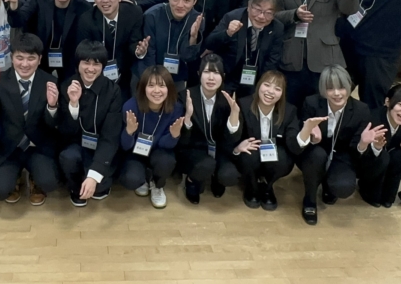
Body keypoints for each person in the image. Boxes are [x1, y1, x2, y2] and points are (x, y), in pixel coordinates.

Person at [0, 34, 62, 205]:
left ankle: (35, 178)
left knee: (50, 183)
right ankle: (15, 176)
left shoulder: (50, 81)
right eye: (20, 58)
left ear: (40, 59)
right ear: (11, 57)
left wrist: (52, 106)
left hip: (38, 147)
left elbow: (53, 124)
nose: (25, 64)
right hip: (9, 147)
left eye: (31, 58)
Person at [274, 0, 357, 107]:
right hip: (291, 56)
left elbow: (349, 9)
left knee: (321, 106)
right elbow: (274, 15)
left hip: (324, 57)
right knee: (290, 106)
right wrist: (294, 14)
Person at [295, 65, 375, 225]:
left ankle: (329, 186)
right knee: (317, 155)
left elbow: (354, 151)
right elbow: (300, 141)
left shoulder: (361, 110)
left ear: (349, 87)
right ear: (323, 90)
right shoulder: (311, 103)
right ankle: (310, 199)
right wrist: (312, 137)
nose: (337, 93)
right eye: (330, 88)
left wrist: (362, 143)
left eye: (341, 88)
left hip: (342, 155)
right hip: (315, 153)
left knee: (343, 187)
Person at [54, 41, 123, 206]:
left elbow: (110, 137)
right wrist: (73, 105)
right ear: (78, 64)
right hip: (76, 145)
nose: (90, 69)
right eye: (86, 62)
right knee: (68, 157)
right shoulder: (67, 86)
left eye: (96, 64)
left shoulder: (113, 91)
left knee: (99, 187)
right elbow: (65, 131)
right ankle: (75, 187)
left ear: (103, 66)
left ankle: (94, 179)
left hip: (101, 146)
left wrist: (94, 175)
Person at [4, 0, 93, 83]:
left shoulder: (84, 8)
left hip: (69, 59)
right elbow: (17, 22)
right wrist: (14, 4)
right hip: (40, 55)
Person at [231, 69, 301, 211]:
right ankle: (252, 186)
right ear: (259, 85)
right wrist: (238, 147)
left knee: (284, 158)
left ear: (282, 93)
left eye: (277, 89)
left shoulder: (289, 111)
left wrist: (306, 132)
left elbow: (294, 144)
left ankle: (268, 187)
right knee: (249, 153)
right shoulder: (243, 104)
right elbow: (232, 136)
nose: (270, 91)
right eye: (267, 85)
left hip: (273, 157)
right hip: (252, 155)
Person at [177, 55, 241, 205]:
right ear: (199, 74)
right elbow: (181, 141)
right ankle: (192, 180)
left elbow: (230, 140)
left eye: (216, 73)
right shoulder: (185, 96)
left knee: (230, 175)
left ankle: (216, 177)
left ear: (223, 76)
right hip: (194, 149)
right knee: (206, 165)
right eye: (206, 72)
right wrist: (188, 117)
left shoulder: (227, 99)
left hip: (218, 150)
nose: (211, 78)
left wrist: (234, 116)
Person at [118, 65, 186, 209]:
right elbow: (125, 146)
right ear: (143, 87)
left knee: (166, 161)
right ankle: (144, 179)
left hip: (160, 151)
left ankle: (157, 184)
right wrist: (129, 132)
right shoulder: (130, 107)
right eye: (151, 85)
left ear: (169, 88)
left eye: (162, 85)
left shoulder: (176, 108)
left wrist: (173, 136)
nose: (156, 91)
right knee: (131, 179)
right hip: (136, 152)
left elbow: (168, 145)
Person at [76, 0, 149, 101]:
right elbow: (84, 51)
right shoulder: (87, 19)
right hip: (95, 72)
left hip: (124, 72)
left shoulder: (133, 13)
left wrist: (138, 51)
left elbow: (133, 42)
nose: (105, 0)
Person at [204, 0, 285, 97]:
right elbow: (209, 44)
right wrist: (227, 33)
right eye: (258, 10)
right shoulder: (232, 17)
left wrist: (264, 83)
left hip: (256, 77)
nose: (261, 16)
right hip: (229, 73)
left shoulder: (277, 28)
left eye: (269, 13)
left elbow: (273, 59)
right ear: (249, 6)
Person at [359, 85, 401, 208]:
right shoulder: (371, 118)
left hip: (388, 158)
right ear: (387, 102)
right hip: (367, 160)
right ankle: (366, 188)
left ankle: (388, 194)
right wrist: (376, 147)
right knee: (383, 157)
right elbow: (358, 151)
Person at [141, 0, 205, 90]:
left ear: (195, 1)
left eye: (186, 0)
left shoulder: (197, 20)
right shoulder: (152, 16)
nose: (180, 5)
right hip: (148, 74)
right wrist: (155, 82)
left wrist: (193, 37)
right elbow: (149, 54)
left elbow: (188, 57)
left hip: (177, 77)